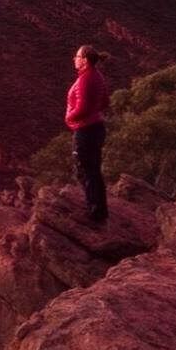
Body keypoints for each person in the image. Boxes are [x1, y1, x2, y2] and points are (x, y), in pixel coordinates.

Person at [65, 45, 110, 222]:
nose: (74, 59)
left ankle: (94, 211)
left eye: (77, 56)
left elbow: (82, 107)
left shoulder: (85, 79)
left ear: (84, 60)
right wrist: (93, 112)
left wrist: (69, 118)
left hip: (85, 130)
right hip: (96, 127)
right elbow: (105, 102)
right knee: (93, 170)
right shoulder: (97, 75)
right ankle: (100, 210)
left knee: (84, 170)